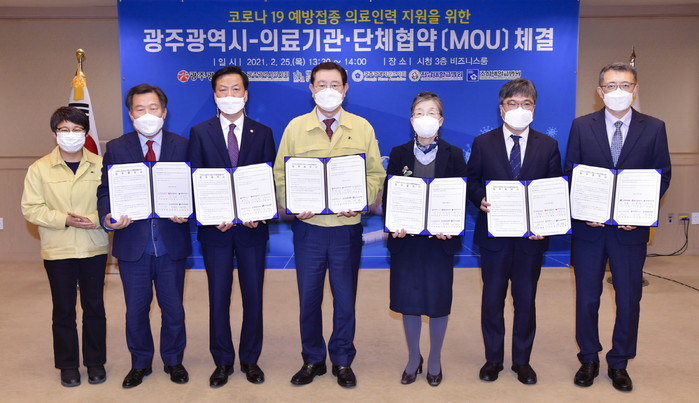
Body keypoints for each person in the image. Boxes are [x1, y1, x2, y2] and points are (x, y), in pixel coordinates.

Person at [273, 62, 386, 388]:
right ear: (311, 89)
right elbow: (280, 174)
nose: (328, 90)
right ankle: (312, 358)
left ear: (345, 89)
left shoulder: (361, 127)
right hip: (309, 229)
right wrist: (294, 204)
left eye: (335, 84)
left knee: (345, 299)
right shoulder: (295, 128)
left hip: (346, 227)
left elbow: (375, 173)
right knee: (309, 298)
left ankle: (342, 359)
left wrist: (361, 199)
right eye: (321, 84)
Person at [564, 62, 671, 392]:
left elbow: (662, 175)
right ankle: (589, 358)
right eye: (611, 86)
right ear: (600, 91)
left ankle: (619, 362)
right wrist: (583, 209)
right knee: (587, 298)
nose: (618, 91)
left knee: (628, 298)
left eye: (625, 85)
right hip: (590, 230)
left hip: (630, 232)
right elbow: (571, 173)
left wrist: (637, 213)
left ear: (635, 90)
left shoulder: (654, 127)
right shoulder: (582, 126)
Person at [466, 78, 562, 385]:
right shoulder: (483, 143)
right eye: (512, 103)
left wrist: (544, 224)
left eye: (526, 104)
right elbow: (471, 181)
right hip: (494, 238)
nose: (519, 109)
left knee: (525, 301)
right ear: (501, 109)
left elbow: (553, 190)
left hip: (530, 241)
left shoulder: (548, 146)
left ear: (534, 108)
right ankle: (493, 359)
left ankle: (522, 361)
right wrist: (479, 198)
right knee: (492, 300)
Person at [97, 84, 192, 388]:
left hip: (170, 242)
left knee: (173, 309)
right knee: (136, 310)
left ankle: (173, 360)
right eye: (140, 109)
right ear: (131, 114)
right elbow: (105, 190)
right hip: (133, 244)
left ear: (164, 112)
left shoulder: (183, 145)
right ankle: (140, 363)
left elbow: (195, 187)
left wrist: (188, 210)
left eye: (153, 108)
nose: (147, 114)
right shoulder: (116, 147)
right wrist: (108, 217)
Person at [188, 66, 276, 387]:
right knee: (218, 296)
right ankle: (222, 360)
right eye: (223, 90)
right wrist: (211, 215)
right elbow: (195, 180)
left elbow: (268, 181)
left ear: (246, 94)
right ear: (214, 96)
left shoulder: (262, 132)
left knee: (253, 296)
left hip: (252, 230)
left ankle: (250, 359)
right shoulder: (200, 132)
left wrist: (261, 213)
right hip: (216, 231)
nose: (229, 95)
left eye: (235, 89)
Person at [383, 92, 467, 386]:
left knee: (437, 301)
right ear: (411, 120)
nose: (425, 117)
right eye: (420, 112)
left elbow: (460, 197)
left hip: (439, 242)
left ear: (440, 121)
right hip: (407, 241)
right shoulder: (398, 153)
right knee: (409, 300)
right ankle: (412, 357)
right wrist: (393, 223)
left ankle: (434, 359)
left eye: (432, 112)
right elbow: (391, 195)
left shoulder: (454, 154)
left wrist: (451, 225)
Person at [21, 107, 109, 387]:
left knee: (94, 307)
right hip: (58, 249)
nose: (71, 135)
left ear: (86, 133)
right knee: (63, 309)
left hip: (93, 246)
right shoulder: (39, 168)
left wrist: (93, 219)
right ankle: (68, 365)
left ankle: (95, 362)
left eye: (77, 129)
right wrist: (64, 219)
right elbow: (31, 208)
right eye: (64, 130)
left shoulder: (101, 165)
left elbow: (110, 201)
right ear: (54, 134)